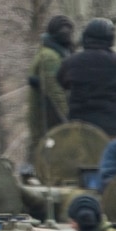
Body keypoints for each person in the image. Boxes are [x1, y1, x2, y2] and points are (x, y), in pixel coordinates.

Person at [57, 17, 116, 137]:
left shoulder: (71, 62)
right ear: (110, 38)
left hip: (78, 126)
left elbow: (61, 80)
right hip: (110, 128)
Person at [26, 15, 73, 159]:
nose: (66, 34)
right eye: (62, 30)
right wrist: (69, 119)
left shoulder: (56, 52)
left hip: (49, 115)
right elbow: (56, 91)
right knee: (44, 153)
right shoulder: (50, 56)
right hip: (47, 116)